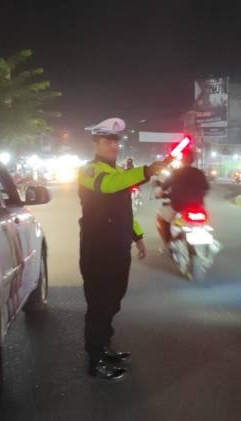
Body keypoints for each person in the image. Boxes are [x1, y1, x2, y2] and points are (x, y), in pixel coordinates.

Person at [78, 117, 166, 380]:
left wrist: (137, 235)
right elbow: (107, 186)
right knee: (99, 305)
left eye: (117, 141)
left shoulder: (117, 172)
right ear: (97, 143)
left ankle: (104, 347)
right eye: (108, 141)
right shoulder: (90, 171)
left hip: (117, 249)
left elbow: (122, 211)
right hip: (98, 251)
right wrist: (146, 171)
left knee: (113, 301)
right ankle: (95, 361)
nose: (114, 146)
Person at [156, 149, 210, 246]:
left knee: (161, 218)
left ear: (182, 160)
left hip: (178, 206)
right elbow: (206, 188)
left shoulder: (176, 173)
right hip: (198, 207)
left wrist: (159, 194)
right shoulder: (199, 172)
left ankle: (167, 243)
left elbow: (163, 188)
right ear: (193, 160)